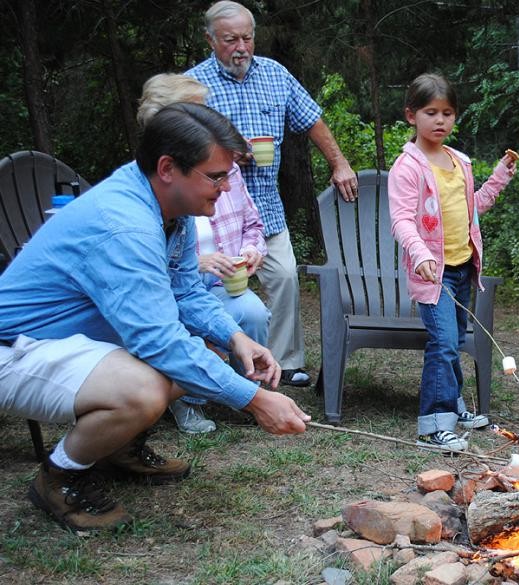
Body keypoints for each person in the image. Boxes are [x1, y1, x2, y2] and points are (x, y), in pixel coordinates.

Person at [0, 102, 311, 532]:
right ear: (168, 168)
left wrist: (234, 336)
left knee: (204, 356)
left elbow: (184, 289)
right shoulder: (126, 225)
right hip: (16, 347)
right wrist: (256, 401)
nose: (225, 187)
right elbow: (159, 342)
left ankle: (117, 448)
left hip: (69, 341)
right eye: (216, 176)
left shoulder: (170, 211)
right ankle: (60, 477)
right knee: (145, 389)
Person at [186, 0, 358, 388]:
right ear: (210, 40)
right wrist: (227, 153)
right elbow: (180, 147)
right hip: (216, 214)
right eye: (230, 40)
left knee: (284, 279)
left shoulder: (275, 75)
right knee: (220, 291)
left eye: (247, 38)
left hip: (266, 208)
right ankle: (217, 367)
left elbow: (312, 119)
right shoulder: (193, 86)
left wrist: (339, 163)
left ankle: (284, 362)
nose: (241, 47)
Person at [387, 73, 516, 452]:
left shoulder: (458, 161)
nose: (440, 121)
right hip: (433, 273)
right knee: (442, 343)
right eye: (431, 112)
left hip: (462, 267)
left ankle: (454, 406)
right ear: (412, 115)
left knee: (454, 340)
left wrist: (498, 179)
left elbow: (472, 208)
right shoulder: (407, 168)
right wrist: (421, 254)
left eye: (448, 113)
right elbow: (401, 221)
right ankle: (433, 424)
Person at [137, 73, 271, 434]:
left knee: (251, 314)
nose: (224, 185)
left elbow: (253, 227)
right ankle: (191, 402)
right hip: (34, 348)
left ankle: (246, 391)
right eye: (196, 114)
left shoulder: (210, 177)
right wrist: (198, 264)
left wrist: (249, 251)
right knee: (191, 341)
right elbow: (160, 303)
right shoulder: (141, 207)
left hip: (219, 285)